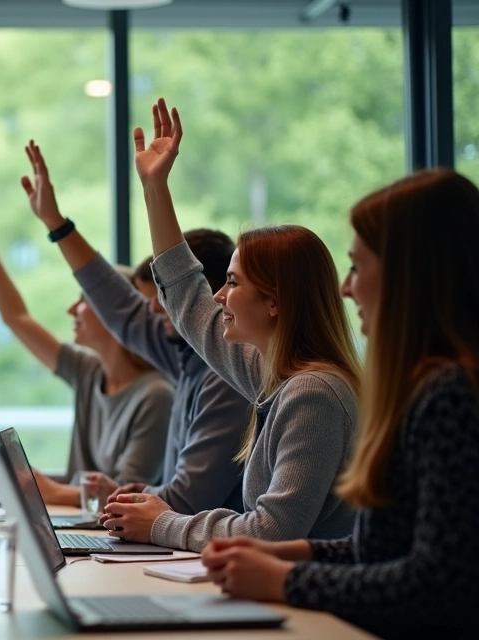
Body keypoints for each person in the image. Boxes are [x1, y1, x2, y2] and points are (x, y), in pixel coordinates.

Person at [201, 169, 479, 638]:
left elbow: (439, 584)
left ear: (407, 275)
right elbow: (389, 548)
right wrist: (296, 555)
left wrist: (286, 578)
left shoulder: (449, 396)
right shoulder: (428, 387)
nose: (347, 288)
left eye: (357, 266)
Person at [100, 99, 361, 552]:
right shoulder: (271, 375)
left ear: (274, 303)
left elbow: (272, 531)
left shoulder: (312, 392)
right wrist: (154, 187)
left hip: (312, 612)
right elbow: (186, 297)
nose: (219, 296)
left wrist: (163, 523)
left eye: (233, 283)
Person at [20, 141, 252, 516]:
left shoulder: (224, 376)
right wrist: (56, 224)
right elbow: (115, 301)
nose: (155, 308)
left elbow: (186, 501)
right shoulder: (183, 357)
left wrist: (125, 498)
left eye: (165, 294)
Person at [0, 166, 172, 507]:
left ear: (114, 314)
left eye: (84, 301)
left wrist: (41, 489)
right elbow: (15, 318)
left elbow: (124, 495)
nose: (71, 310)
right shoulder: (88, 371)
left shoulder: (156, 395)